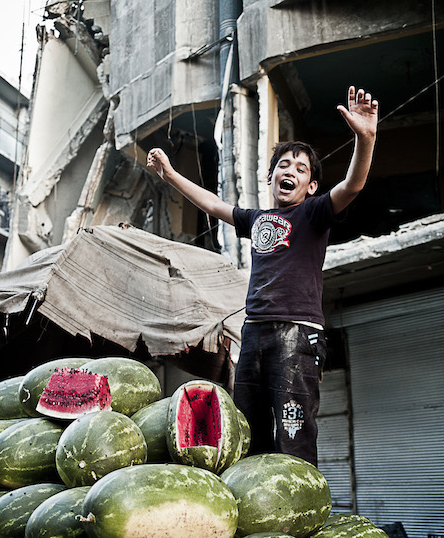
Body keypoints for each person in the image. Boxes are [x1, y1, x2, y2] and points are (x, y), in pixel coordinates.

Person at [147, 86, 379, 465]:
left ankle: (296, 512)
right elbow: (213, 203)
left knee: (293, 433)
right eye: (284, 166)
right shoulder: (256, 220)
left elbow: (352, 185)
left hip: (298, 332)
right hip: (253, 332)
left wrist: (365, 138)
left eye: (301, 169)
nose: (291, 171)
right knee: (247, 432)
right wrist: (171, 175)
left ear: (312, 186)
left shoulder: (315, 213)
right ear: (270, 177)